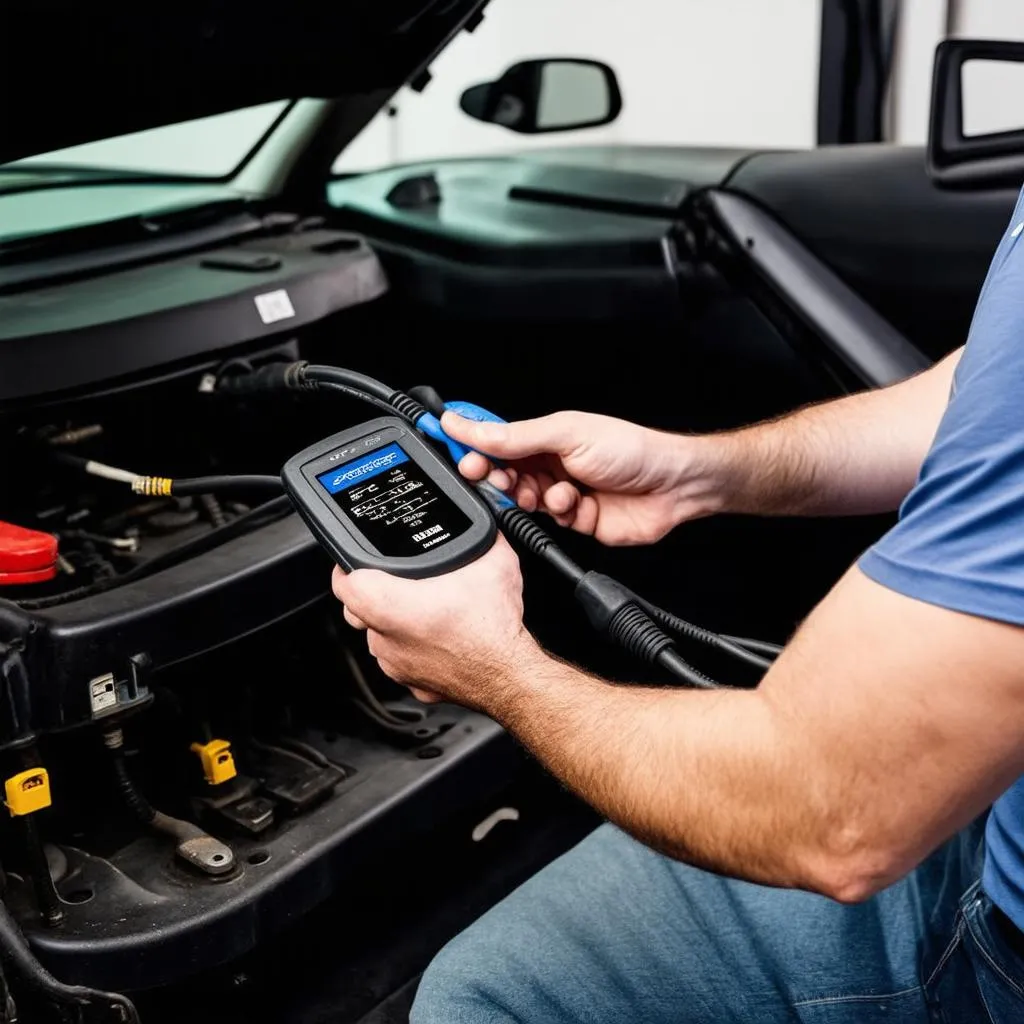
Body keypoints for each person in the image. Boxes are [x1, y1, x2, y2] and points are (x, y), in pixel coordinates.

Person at [332, 194, 1024, 1023]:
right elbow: (981, 383)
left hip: (992, 940)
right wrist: (703, 471)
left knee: (491, 996)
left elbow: (833, 815)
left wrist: (495, 667)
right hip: (988, 806)